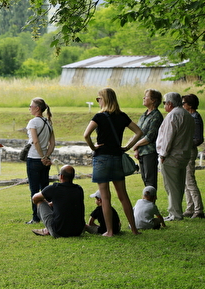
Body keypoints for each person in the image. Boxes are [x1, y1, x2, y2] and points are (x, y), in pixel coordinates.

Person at [83, 87, 142, 236]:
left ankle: (109, 231)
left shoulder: (99, 116)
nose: (98, 101)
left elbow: (86, 135)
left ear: (104, 99)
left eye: (99, 98)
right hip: (116, 157)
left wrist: (93, 147)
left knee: (105, 196)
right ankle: (134, 229)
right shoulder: (122, 116)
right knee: (123, 195)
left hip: (101, 158)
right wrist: (127, 146)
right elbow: (139, 132)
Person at [156, 92, 195, 221]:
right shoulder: (187, 115)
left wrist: (163, 154)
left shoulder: (172, 116)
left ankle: (175, 214)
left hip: (171, 156)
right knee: (178, 185)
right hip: (183, 155)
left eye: (164, 103)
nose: (164, 106)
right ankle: (175, 212)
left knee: (171, 186)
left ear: (170, 103)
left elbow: (168, 137)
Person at [31, 165, 85, 237]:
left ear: (61, 176)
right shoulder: (79, 189)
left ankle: (48, 229)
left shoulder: (54, 188)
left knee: (40, 202)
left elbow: (35, 198)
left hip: (59, 232)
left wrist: (46, 203)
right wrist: (53, 203)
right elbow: (68, 200)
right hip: (78, 231)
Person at [25, 97, 55, 224]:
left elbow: (35, 141)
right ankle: (47, 215)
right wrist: (46, 156)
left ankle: (36, 217)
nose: (29, 108)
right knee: (45, 189)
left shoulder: (33, 122)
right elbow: (52, 143)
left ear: (37, 108)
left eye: (31, 106)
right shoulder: (48, 122)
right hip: (45, 161)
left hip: (34, 159)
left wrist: (41, 156)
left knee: (34, 189)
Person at [133, 88, 164, 189]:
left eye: (146, 96)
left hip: (150, 152)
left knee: (150, 181)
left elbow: (150, 136)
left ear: (153, 100)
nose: (143, 98)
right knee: (144, 179)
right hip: (141, 152)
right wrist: (137, 149)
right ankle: (147, 202)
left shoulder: (157, 116)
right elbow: (138, 133)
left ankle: (151, 203)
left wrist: (136, 145)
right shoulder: (144, 114)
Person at [182, 94, 204, 219]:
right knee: (185, 181)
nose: (182, 105)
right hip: (185, 151)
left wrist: (185, 144)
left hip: (189, 151)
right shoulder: (190, 116)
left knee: (189, 180)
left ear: (189, 105)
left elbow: (198, 138)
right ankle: (190, 208)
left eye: (183, 103)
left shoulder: (195, 117)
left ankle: (198, 209)